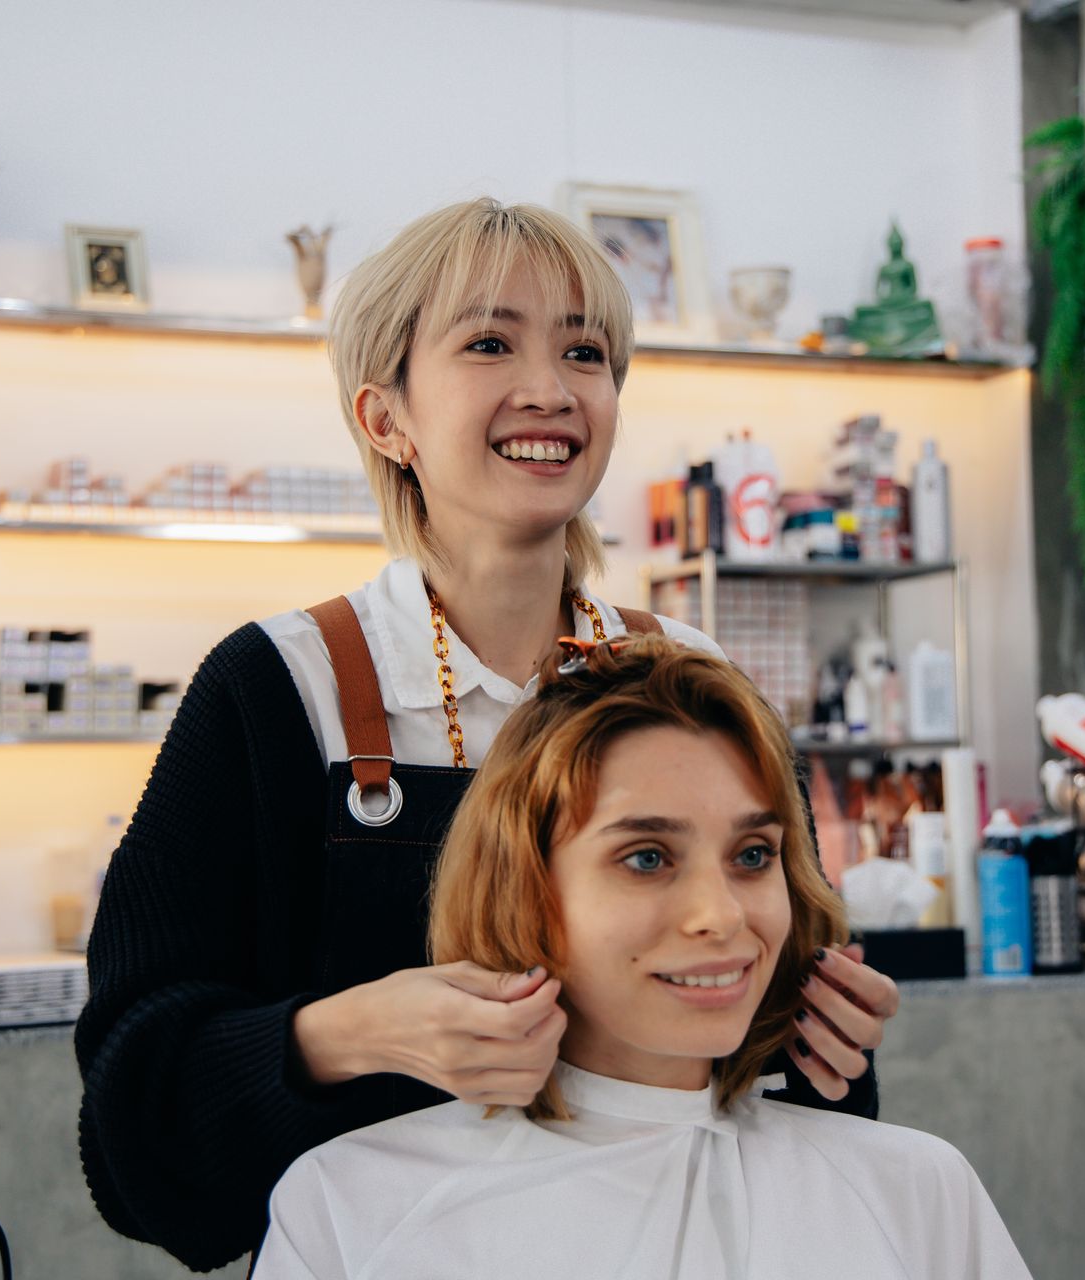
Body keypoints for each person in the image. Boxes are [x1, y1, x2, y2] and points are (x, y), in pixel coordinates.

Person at [74, 198, 901, 1272]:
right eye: (489, 342)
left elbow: (782, 1069)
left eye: (586, 351)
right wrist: (349, 1034)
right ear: (386, 417)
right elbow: (135, 1129)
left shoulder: (701, 688)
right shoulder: (278, 690)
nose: (552, 389)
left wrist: (826, 1037)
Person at [253, 637, 1029, 1278]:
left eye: (754, 855)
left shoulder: (917, 1192)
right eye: (648, 858)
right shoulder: (351, 1210)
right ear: (525, 888)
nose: (721, 917)